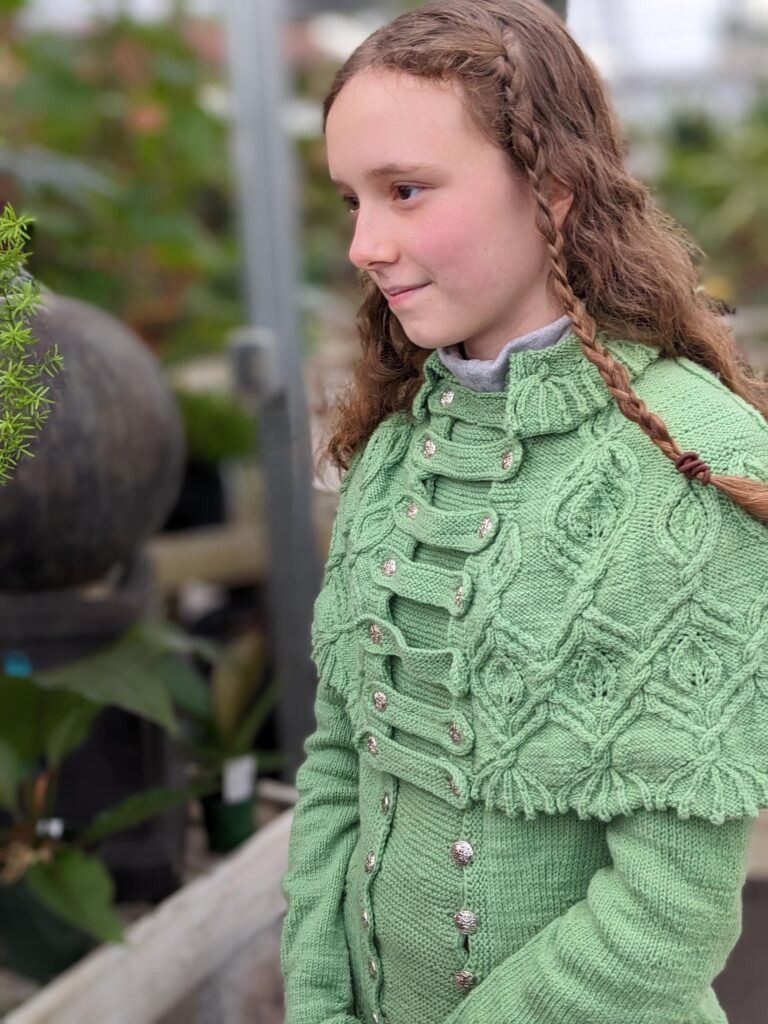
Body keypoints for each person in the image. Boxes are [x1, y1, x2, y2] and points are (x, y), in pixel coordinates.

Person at [279, 2, 768, 1022]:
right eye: (351, 200)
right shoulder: (402, 437)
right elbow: (339, 758)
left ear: (551, 190)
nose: (367, 242)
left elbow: (669, 914)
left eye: (406, 191)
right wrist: (320, 1002)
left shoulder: (691, 464)